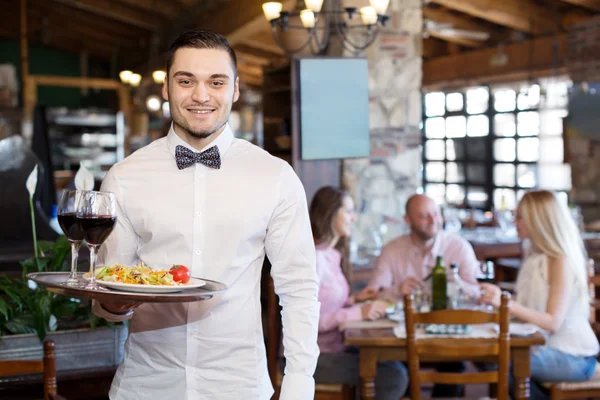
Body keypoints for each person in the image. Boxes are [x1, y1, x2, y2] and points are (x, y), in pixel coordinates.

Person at [92, 30, 320, 400]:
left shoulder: (275, 177)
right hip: (146, 385)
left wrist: (299, 385)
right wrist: (111, 304)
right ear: (166, 87)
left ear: (235, 89)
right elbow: (113, 287)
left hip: (239, 385)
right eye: (186, 81)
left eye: (216, 82)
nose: (201, 96)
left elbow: (299, 289)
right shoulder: (124, 176)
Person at [356, 193, 481, 397]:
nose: (433, 221)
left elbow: (478, 294)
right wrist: (398, 290)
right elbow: (373, 295)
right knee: (393, 370)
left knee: (453, 365)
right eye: (424, 216)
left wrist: (455, 284)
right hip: (401, 339)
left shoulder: (459, 247)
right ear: (408, 220)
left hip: (449, 337)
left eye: (436, 214)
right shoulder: (392, 250)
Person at [480, 190, 599, 399]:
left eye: (519, 217)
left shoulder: (560, 260)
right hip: (544, 348)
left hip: (575, 357)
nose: (514, 221)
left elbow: (552, 322)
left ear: (536, 221)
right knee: (487, 357)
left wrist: (506, 303)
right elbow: (530, 307)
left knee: (503, 364)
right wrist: (494, 305)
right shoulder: (534, 256)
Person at [310, 186, 408, 399]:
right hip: (314, 358)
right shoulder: (315, 260)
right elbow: (306, 321)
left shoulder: (330, 255)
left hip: (334, 348)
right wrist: (358, 313)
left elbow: (324, 302)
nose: (353, 218)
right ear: (329, 213)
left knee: (394, 366)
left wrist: (353, 300)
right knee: (394, 376)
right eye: (348, 211)